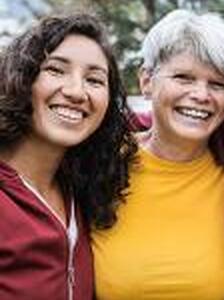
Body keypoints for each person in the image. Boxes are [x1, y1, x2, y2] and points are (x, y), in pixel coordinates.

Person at [91, 9, 224, 300]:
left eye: (217, 84)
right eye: (184, 77)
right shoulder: (100, 161)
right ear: (146, 81)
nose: (201, 94)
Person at [0, 13, 136, 300]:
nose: (76, 92)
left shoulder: (82, 189)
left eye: (94, 80)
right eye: (56, 70)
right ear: (21, 78)